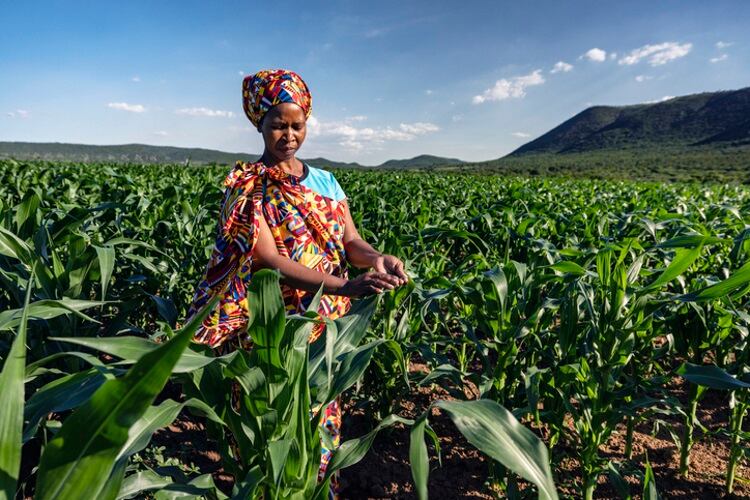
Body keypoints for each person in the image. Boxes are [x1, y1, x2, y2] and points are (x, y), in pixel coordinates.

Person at [185, 68, 408, 496]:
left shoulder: (326, 181)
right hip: (272, 322)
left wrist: (377, 258)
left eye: (297, 125)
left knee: (321, 404)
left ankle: (316, 488)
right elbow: (266, 259)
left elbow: (351, 241)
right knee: (267, 414)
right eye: (277, 125)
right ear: (259, 124)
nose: (289, 135)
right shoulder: (247, 186)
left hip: (324, 325)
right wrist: (344, 287)